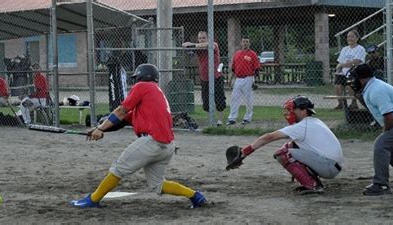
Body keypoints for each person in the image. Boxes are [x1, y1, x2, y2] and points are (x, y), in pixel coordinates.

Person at [71, 64, 206, 208]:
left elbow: (121, 111)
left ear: (143, 77)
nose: (135, 82)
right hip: (167, 146)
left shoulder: (143, 86)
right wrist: (99, 129)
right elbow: (122, 120)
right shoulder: (154, 94)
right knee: (158, 185)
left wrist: (101, 128)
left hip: (152, 141)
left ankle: (93, 200)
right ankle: (195, 196)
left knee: (118, 169)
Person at [231, 96, 343, 194]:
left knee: (283, 153)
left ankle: (313, 185)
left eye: (293, 109)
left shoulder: (302, 126)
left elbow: (268, 137)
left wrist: (245, 152)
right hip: (331, 165)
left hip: (328, 167)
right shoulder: (314, 121)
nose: (290, 112)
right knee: (290, 146)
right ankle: (311, 179)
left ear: (303, 111)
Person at [347, 64, 393, 195]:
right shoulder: (372, 86)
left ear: (361, 78)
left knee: (381, 145)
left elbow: (389, 117)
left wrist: (385, 132)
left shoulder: (376, 90)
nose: (352, 82)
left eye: (354, 78)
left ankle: (381, 184)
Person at [182, 31, 226, 126]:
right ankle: (211, 120)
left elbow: (210, 45)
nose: (202, 39)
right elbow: (184, 45)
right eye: (200, 38)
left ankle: (220, 121)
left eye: (204, 38)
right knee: (206, 101)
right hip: (204, 78)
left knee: (220, 100)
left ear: (208, 38)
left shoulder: (214, 45)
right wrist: (194, 45)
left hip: (216, 77)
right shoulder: (198, 48)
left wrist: (194, 45)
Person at [227, 37, 260, 125]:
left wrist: (255, 81)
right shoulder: (237, 54)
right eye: (243, 41)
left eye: (247, 41)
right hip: (238, 79)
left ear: (249, 43)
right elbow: (233, 69)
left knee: (248, 99)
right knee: (234, 98)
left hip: (248, 78)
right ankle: (232, 118)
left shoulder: (252, 54)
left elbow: (256, 69)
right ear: (241, 43)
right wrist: (230, 80)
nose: (245, 43)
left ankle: (247, 118)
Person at [334, 30, 366, 109]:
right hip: (343, 72)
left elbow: (356, 62)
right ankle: (340, 104)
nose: (350, 38)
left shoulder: (360, 49)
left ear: (357, 38)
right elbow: (339, 62)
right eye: (348, 37)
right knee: (337, 86)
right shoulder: (345, 49)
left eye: (352, 36)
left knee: (349, 86)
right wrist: (338, 69)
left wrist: (343, 64)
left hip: (355, 72)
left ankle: (354, 103)